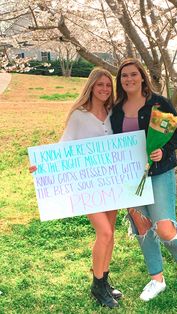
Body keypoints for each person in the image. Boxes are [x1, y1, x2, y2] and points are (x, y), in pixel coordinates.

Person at [30, 68, 121, 309]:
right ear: (91, 86)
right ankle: (97, 285)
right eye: (99, 84)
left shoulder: (113, 112)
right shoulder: (79, 115)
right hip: (87, 184)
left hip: (112, 181)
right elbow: (64, 145)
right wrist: (43, 164)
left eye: (108, 85)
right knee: (104, 233)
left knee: (111, 232)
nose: (104, 89)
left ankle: (105, 280)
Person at [110, 58, 177, 301]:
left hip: (159, 172)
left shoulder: (158, 103)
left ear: (142, 76)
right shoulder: (116, 109)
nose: (129, 79)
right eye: (124, 76)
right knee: (142, 227)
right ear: (120, 80)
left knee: (164, 227)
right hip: (130, 176)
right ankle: (156, 279)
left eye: (133, 74)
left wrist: (164, 151)